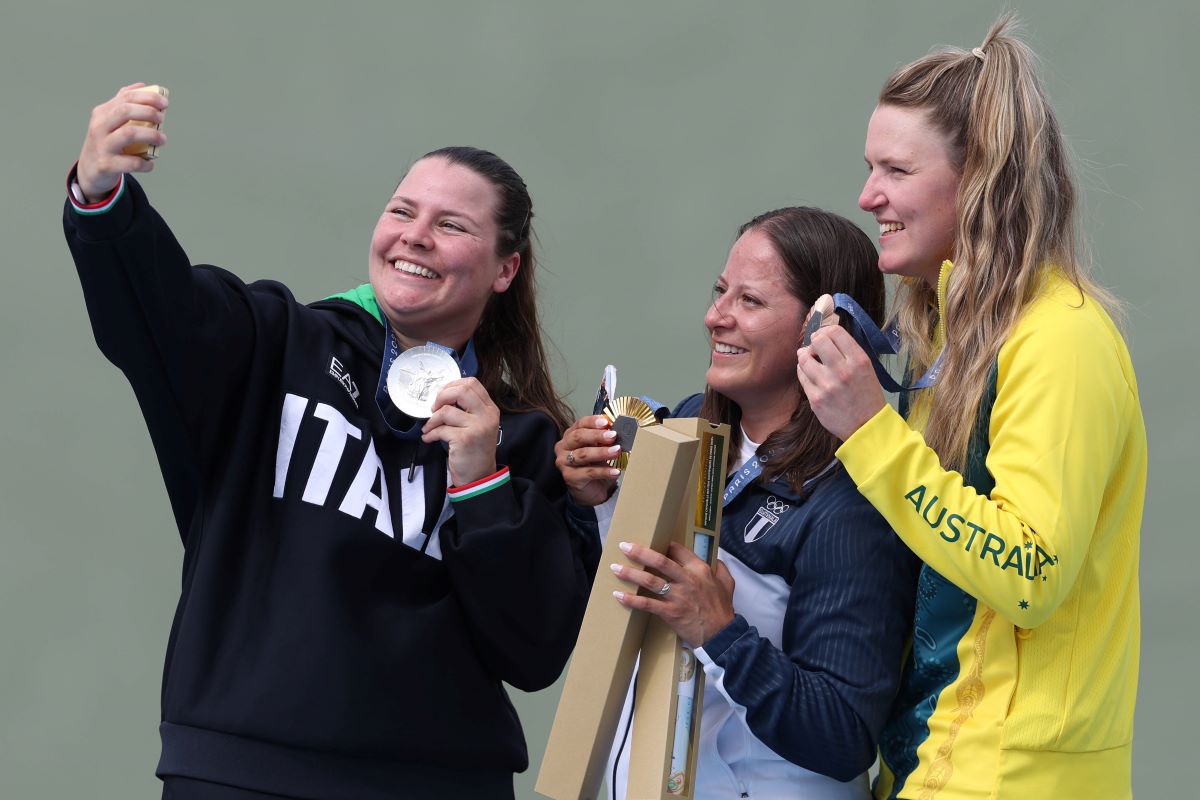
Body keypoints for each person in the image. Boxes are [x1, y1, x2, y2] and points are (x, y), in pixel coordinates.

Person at [62, 83, 599, 800]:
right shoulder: (275, 343)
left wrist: (480, 481)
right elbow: (161, 311)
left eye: (451, 225)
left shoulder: (527, 442)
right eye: (402, 211)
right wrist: (101, 196)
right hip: (241, 774)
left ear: (506, 269)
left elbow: (533, 653)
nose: (414, 234)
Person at [795, 15, 1146, 800]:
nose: (867, 194)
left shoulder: (1062, 341)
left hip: (1014, 779)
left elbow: (1029, 573)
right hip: (933, 768)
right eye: (869, 167)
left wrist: (871, 433)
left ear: (979, 176)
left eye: (895, 170)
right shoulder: (941, 342)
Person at [557, 207, 920, 799]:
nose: (715, 317)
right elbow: (615, 615)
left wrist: (720, 631)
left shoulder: (850, 497)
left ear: (820, 331)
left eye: (750, 302)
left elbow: (843, 734)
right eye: (720, 292)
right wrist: (588, 501)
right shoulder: (681, 429)